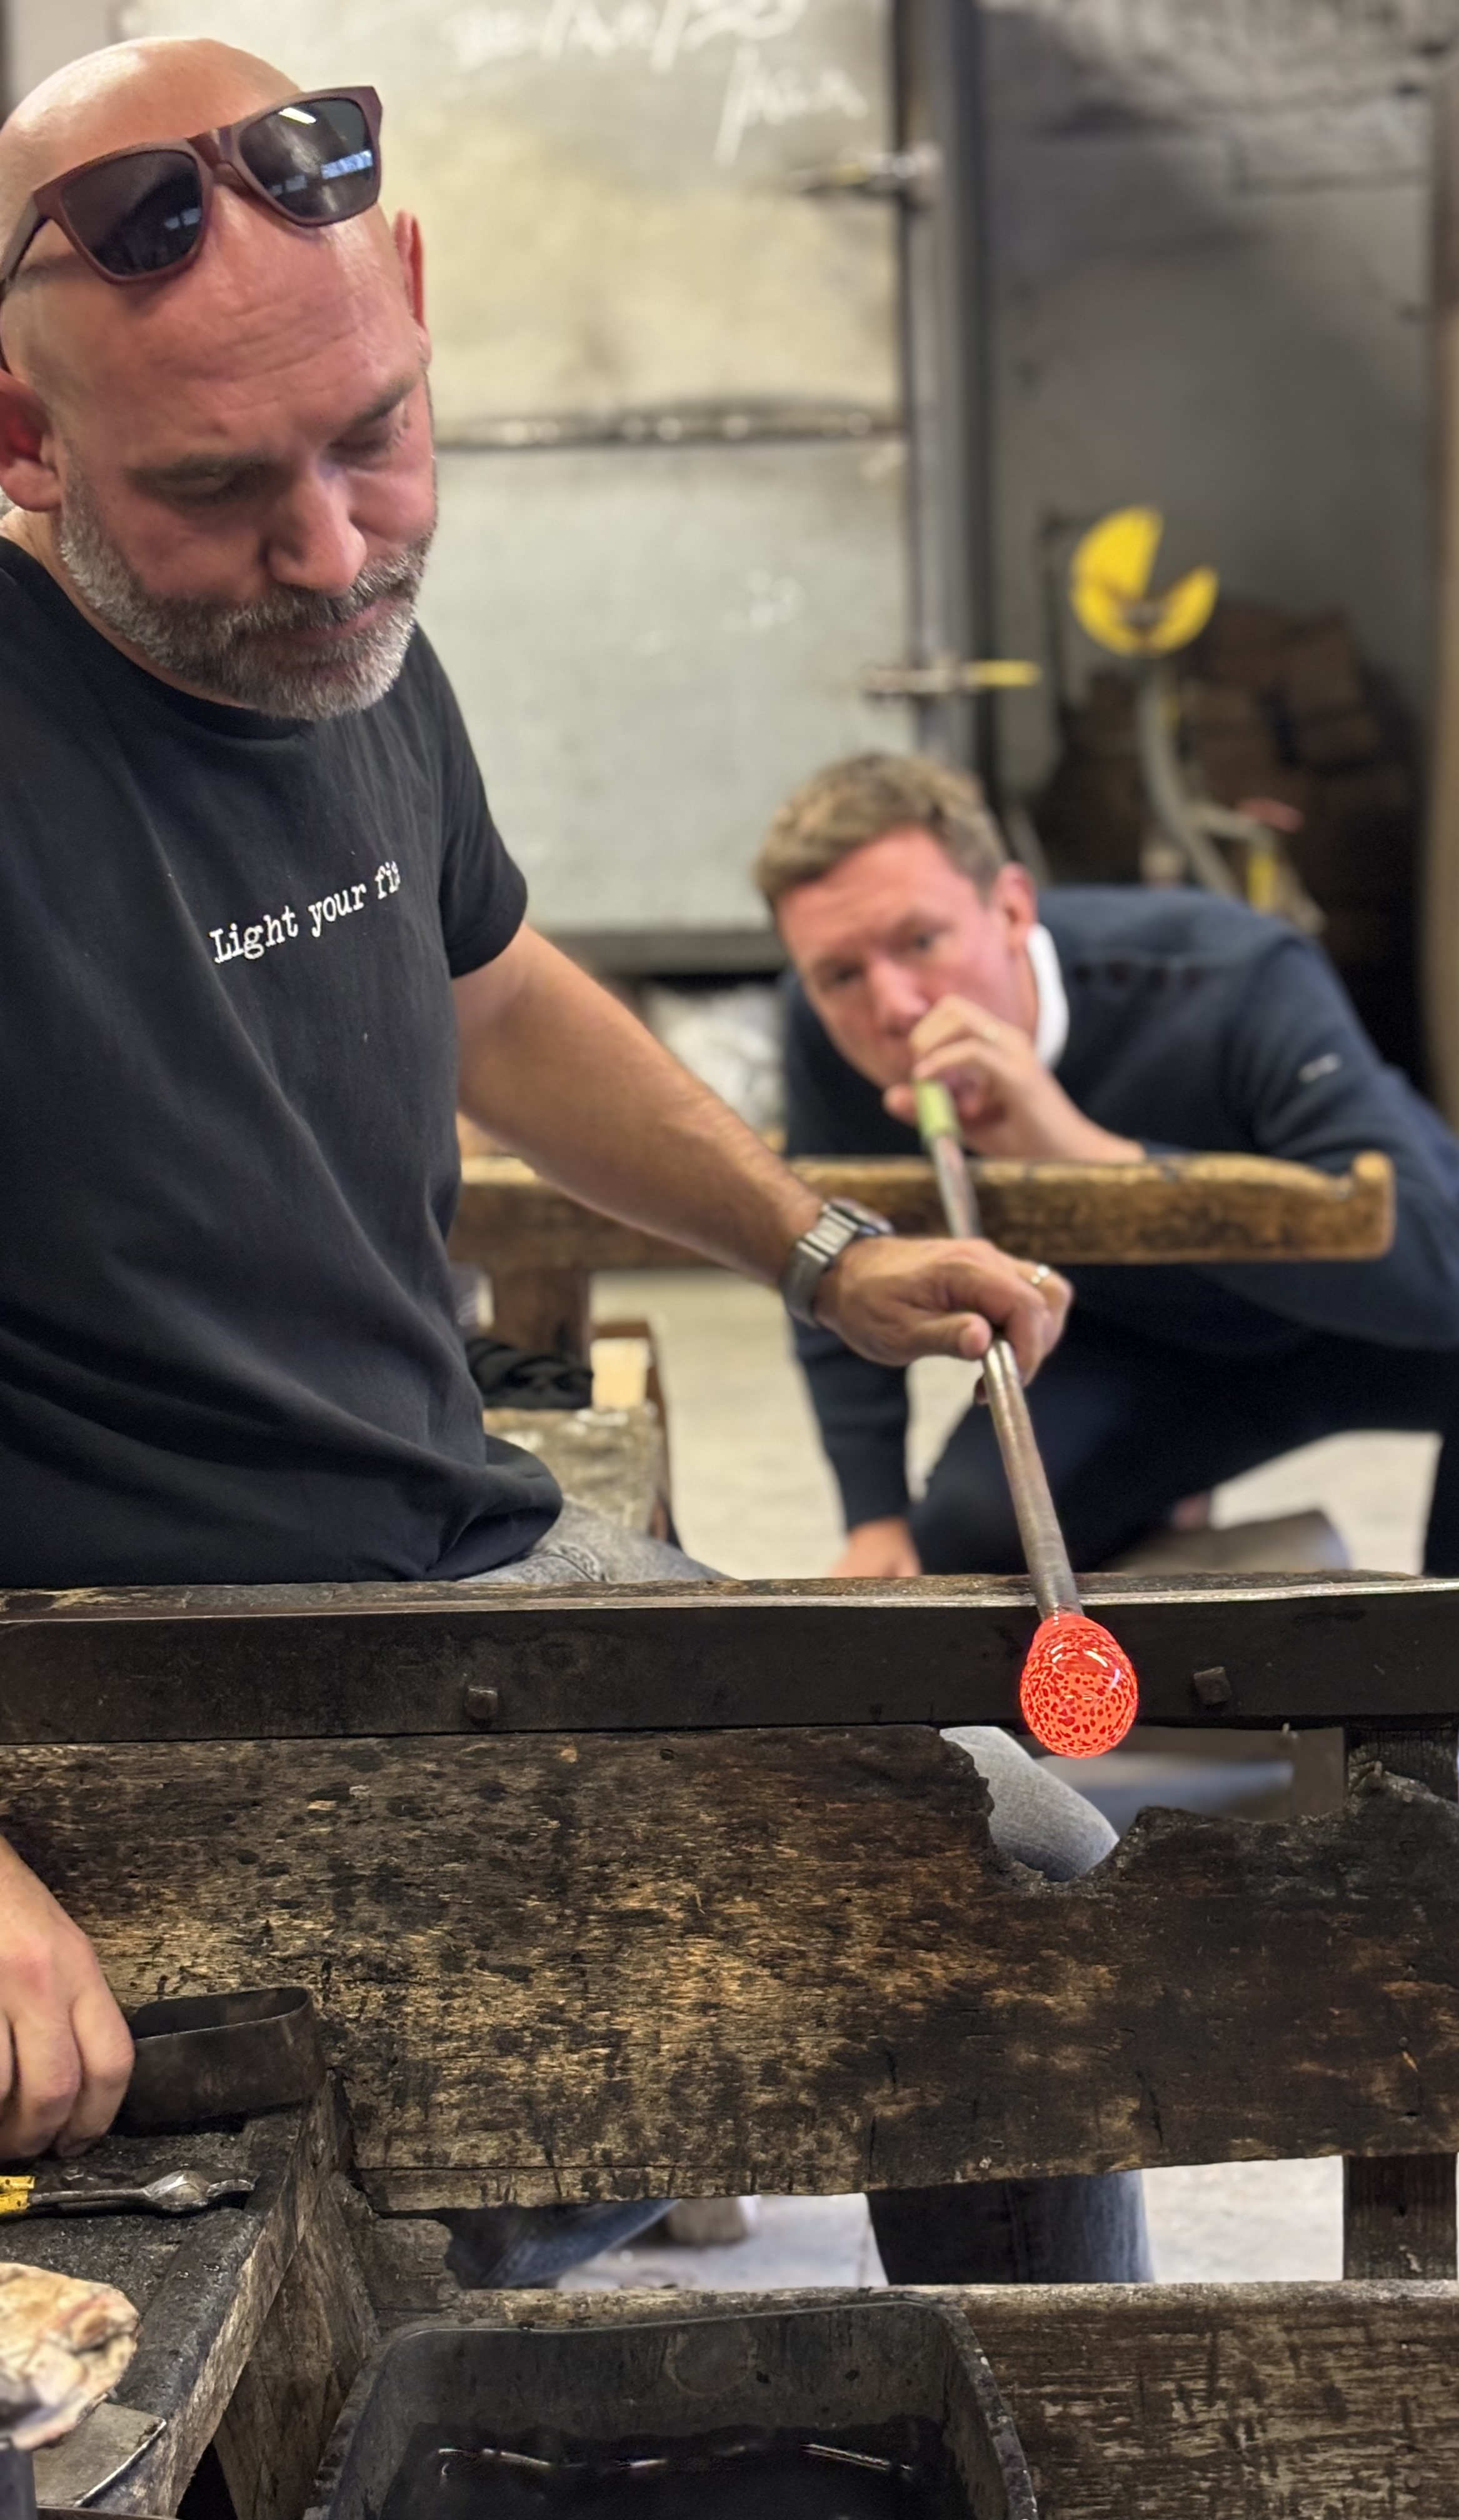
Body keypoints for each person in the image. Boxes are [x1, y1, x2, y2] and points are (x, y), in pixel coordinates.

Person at [0, 40, 1150, 2292]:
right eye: (218, 485)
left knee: (1034, 1869)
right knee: (957, 1933)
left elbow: (490, 986)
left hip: (452, 1574)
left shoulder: (347, 652)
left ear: (411, 294)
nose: (331, 550)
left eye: (378, 437)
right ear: (23, 436)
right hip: (166, 1701)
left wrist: (818, 1248)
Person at [762, 752, 1459, 1798]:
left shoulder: (1230, 974)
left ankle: (1439, 1697)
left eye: (923, 939)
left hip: (1364, 1317)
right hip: (1134, 1340)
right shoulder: (831, 1033)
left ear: (1011, 908)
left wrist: (1086, 1157)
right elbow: (841, 1263)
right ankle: (1174, 1531)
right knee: (961, 1548)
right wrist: (871, 1515)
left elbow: (1438, 1288)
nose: (897, 1005)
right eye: (840, 975)